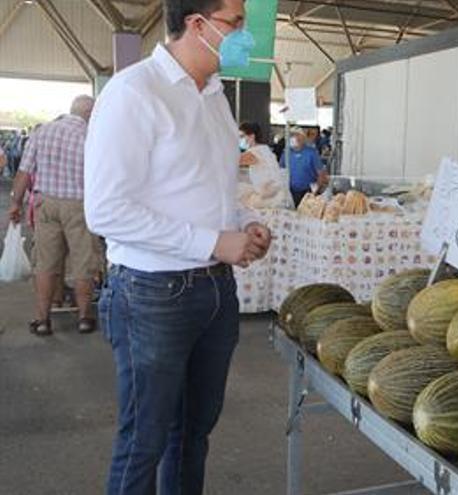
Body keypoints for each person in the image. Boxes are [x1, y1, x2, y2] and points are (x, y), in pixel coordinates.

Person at [83, 0, 270, 493]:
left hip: (214, 291)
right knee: (143, 441)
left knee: (193, 434)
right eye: (236, 23)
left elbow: (213, 187)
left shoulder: (213, 94)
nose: (244, 35)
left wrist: (246, 224)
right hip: (152, 296)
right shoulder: (134, 92)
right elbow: (105, 211)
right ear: (197, 24)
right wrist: (213, 241)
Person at [7, 95, 101, 336]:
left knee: (45, 263)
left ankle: (42, 320)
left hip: (46, 204)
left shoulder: (43, 131)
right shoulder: (91, 136)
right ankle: (84, 318)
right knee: (84, 262)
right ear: (90, 114)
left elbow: (24, 171)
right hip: (80, 206)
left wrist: (15, 203)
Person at [238, 121, 291, 208]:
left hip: (271, 198)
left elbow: (233, 161)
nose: (239, 140)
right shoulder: (264, 149)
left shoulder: (256, 152)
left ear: (252, 136)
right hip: (274, 195)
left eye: (241, 136)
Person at [284, 126, 327, 207]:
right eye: (292, 135)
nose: (295, 138)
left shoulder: (311, 153)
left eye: (297, 135)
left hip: (307, 192)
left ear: (303, 138)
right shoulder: (286, 153)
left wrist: (314, 189)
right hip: (290, 192)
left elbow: (321, 173)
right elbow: (281, 171)